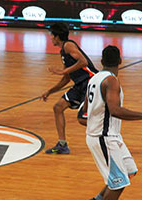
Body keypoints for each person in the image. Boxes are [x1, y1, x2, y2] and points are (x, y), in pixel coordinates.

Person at [83, 45, 142, 200]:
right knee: (118, 184)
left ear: (101, 61)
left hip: (110, 136)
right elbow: (115, 110)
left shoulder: (93, 79)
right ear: (120, 60)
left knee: (129, 171)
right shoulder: (111, 81)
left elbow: (83, 111)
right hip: (104, 137)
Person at [41, 22, 98, 154]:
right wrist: (50, 91)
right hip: (80, 85)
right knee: (58, 107)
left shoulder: (68, 45)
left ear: (57, 37)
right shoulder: (63, 51)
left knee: (82, 118)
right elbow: (66, 78)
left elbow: (83, 61)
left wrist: (62, 71)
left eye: (51, 35)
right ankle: (62, 145)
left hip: (90, 82)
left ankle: (106, 130)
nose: (50, 38)